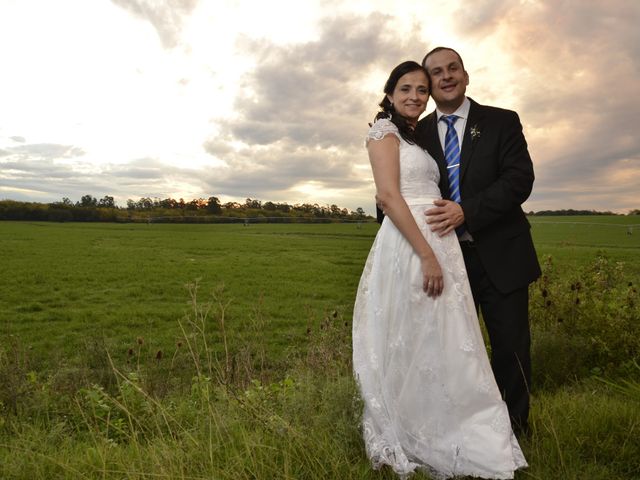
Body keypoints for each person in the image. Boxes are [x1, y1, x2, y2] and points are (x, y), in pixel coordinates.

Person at [353, 60, 527, 478]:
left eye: (421, 90)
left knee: (458, 342)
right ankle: (419, 426)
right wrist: (421, 253)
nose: (416, 96)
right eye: (406, 89)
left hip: (463, 244)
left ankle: (492, 423)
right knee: (417, 339)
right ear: (390, 93)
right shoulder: (389, 133)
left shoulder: (432, 132)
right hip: (420, 245)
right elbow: (391, 197)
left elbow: (517, 180)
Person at [416, 47, 541, 437]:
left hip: (502, 255)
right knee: (453, 353)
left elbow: (520, 179)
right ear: (429, 85)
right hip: (446, 261)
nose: (446, 76)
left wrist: (466, 211)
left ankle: (515, 434)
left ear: (466, 75)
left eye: (453, 68)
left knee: (510, 350)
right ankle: (465, 432)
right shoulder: (415, 132)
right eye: (436, 72)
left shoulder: (502, 121)